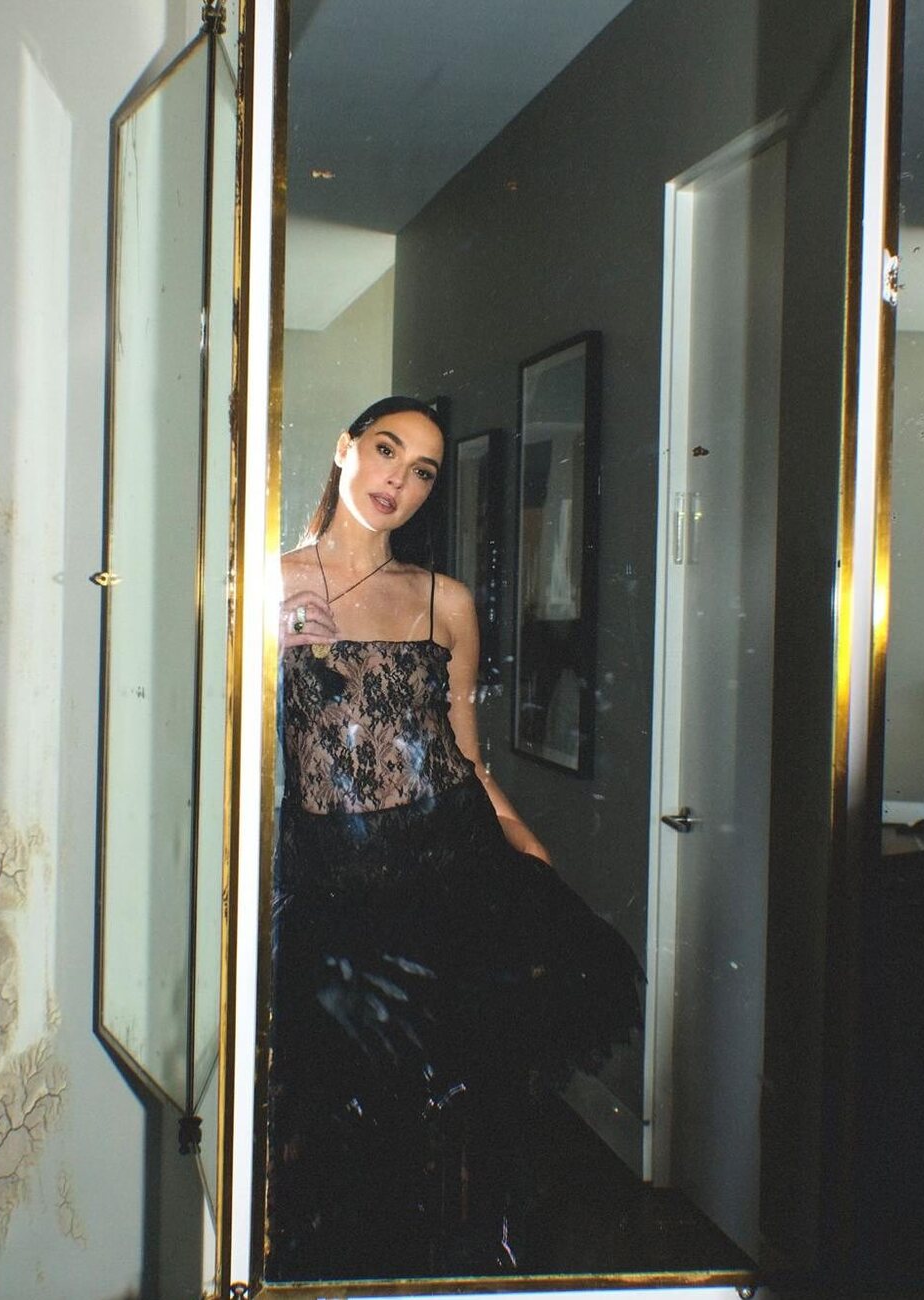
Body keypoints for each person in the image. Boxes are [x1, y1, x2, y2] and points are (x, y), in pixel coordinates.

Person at [267, 396, 642, 1281]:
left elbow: (465, 755)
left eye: (423, 470)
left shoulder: (446, 600)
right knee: (349, 1110)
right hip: (335, 885)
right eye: (386, 450)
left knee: (469, 1104)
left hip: (451, 861)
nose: (397, 478)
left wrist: (519, 837)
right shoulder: (267, 587)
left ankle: (465, 1265)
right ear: (345, 449)